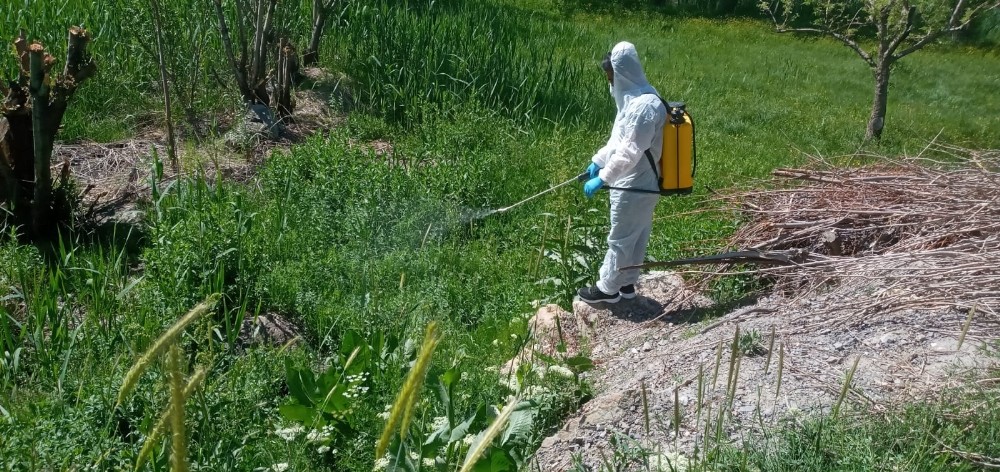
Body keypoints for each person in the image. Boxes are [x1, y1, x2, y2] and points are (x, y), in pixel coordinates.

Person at [578, 41, 667, 304]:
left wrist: (603, 178)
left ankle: (607, 289)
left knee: (621, 238)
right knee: (637, 234)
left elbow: (629, 153)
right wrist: (597, 161)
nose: (610, 83)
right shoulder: (634, 101)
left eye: (611, 77)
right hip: (637, 181)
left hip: (635, 184)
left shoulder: (643, 107)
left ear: (622, 73)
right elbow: (618, 143)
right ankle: (627, 285)